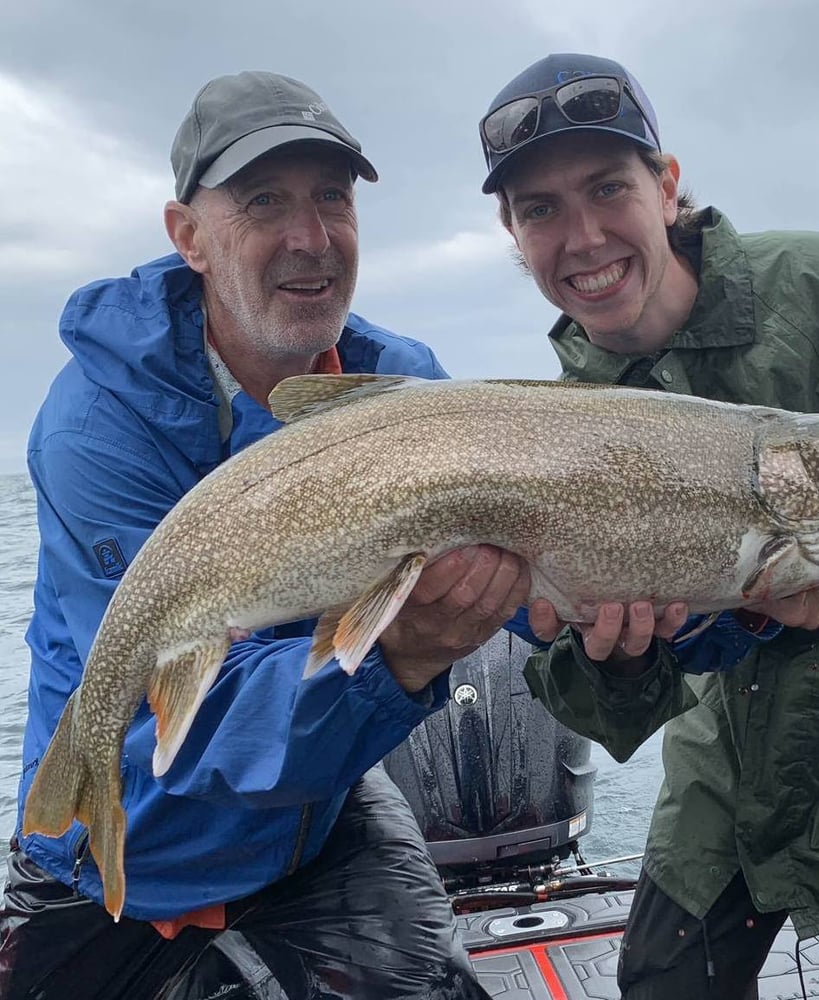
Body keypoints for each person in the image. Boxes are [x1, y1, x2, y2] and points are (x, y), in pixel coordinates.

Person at [0, 69, 541, 1000]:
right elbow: (197, 731)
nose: (310, 237)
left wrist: (672, 617)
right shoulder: (98, 426)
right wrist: (399, 659)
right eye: (263, 202)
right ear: (188, 236)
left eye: (333, 198)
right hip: (125, 843)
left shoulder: (402, 387)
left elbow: (540, 567)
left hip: (312, 817)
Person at [477, 53, 819, 999]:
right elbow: (599, 697)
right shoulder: (559, 428)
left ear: (666, 185)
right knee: (662, 982)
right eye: (540, 209)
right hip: (735, 761)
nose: (584, 235)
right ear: (513, 236)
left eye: (608, 188)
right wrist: (620, 660)